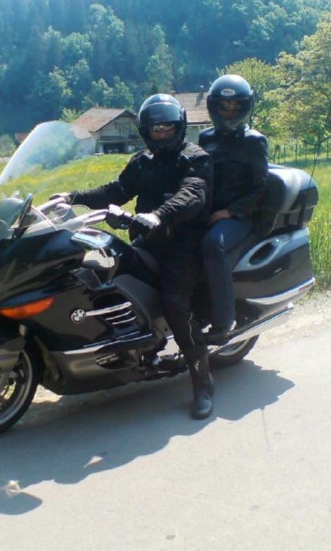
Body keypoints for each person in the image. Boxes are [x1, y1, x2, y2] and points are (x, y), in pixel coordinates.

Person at [53, 94, 215, 419]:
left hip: (183, 246)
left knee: (175, 304)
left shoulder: (195, 159)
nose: (162, 133)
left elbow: (192, 194)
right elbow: (117, 190)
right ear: (146, 131)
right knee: (103, 279)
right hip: (147, 242)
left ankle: (202, 383)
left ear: (180, 127)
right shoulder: (143, 162)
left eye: (168, 127)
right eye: (156, 129)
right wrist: (73, 198)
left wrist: (158, 215)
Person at [198, 75, 269, 343]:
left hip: (240, 216)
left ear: (245, 107)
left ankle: (223, 321)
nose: (229, 112)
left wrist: (229, 212)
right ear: (214, 106)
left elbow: (260, 188)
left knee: (212, 244)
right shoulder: (206, 138)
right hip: (209, 211)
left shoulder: (254, 141)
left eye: (235, 106)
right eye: (224, 106)